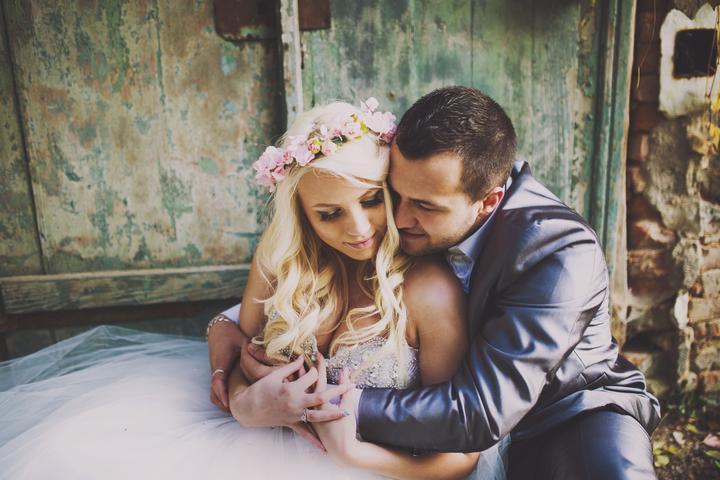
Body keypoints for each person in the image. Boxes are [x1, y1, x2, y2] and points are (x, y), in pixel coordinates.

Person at [0, 99, 507, 479]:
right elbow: (246, 359)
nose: (358, 229)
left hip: (380, 467)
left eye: (372, 200)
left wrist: (352, 453)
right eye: (329, 214)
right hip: (255, 447)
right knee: (75, 452)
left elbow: (459, 453)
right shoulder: (282, 259)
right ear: (303, 216)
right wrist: (246, 405)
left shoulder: (428, 290)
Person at [209, 86, 662, 479]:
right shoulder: (402, 204)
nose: (399, 219)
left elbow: (477, 413)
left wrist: (322, 402)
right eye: (394, 194)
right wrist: (228, 332)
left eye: (423, 206)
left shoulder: (558, 252)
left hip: (565, 412)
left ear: (488, 202)